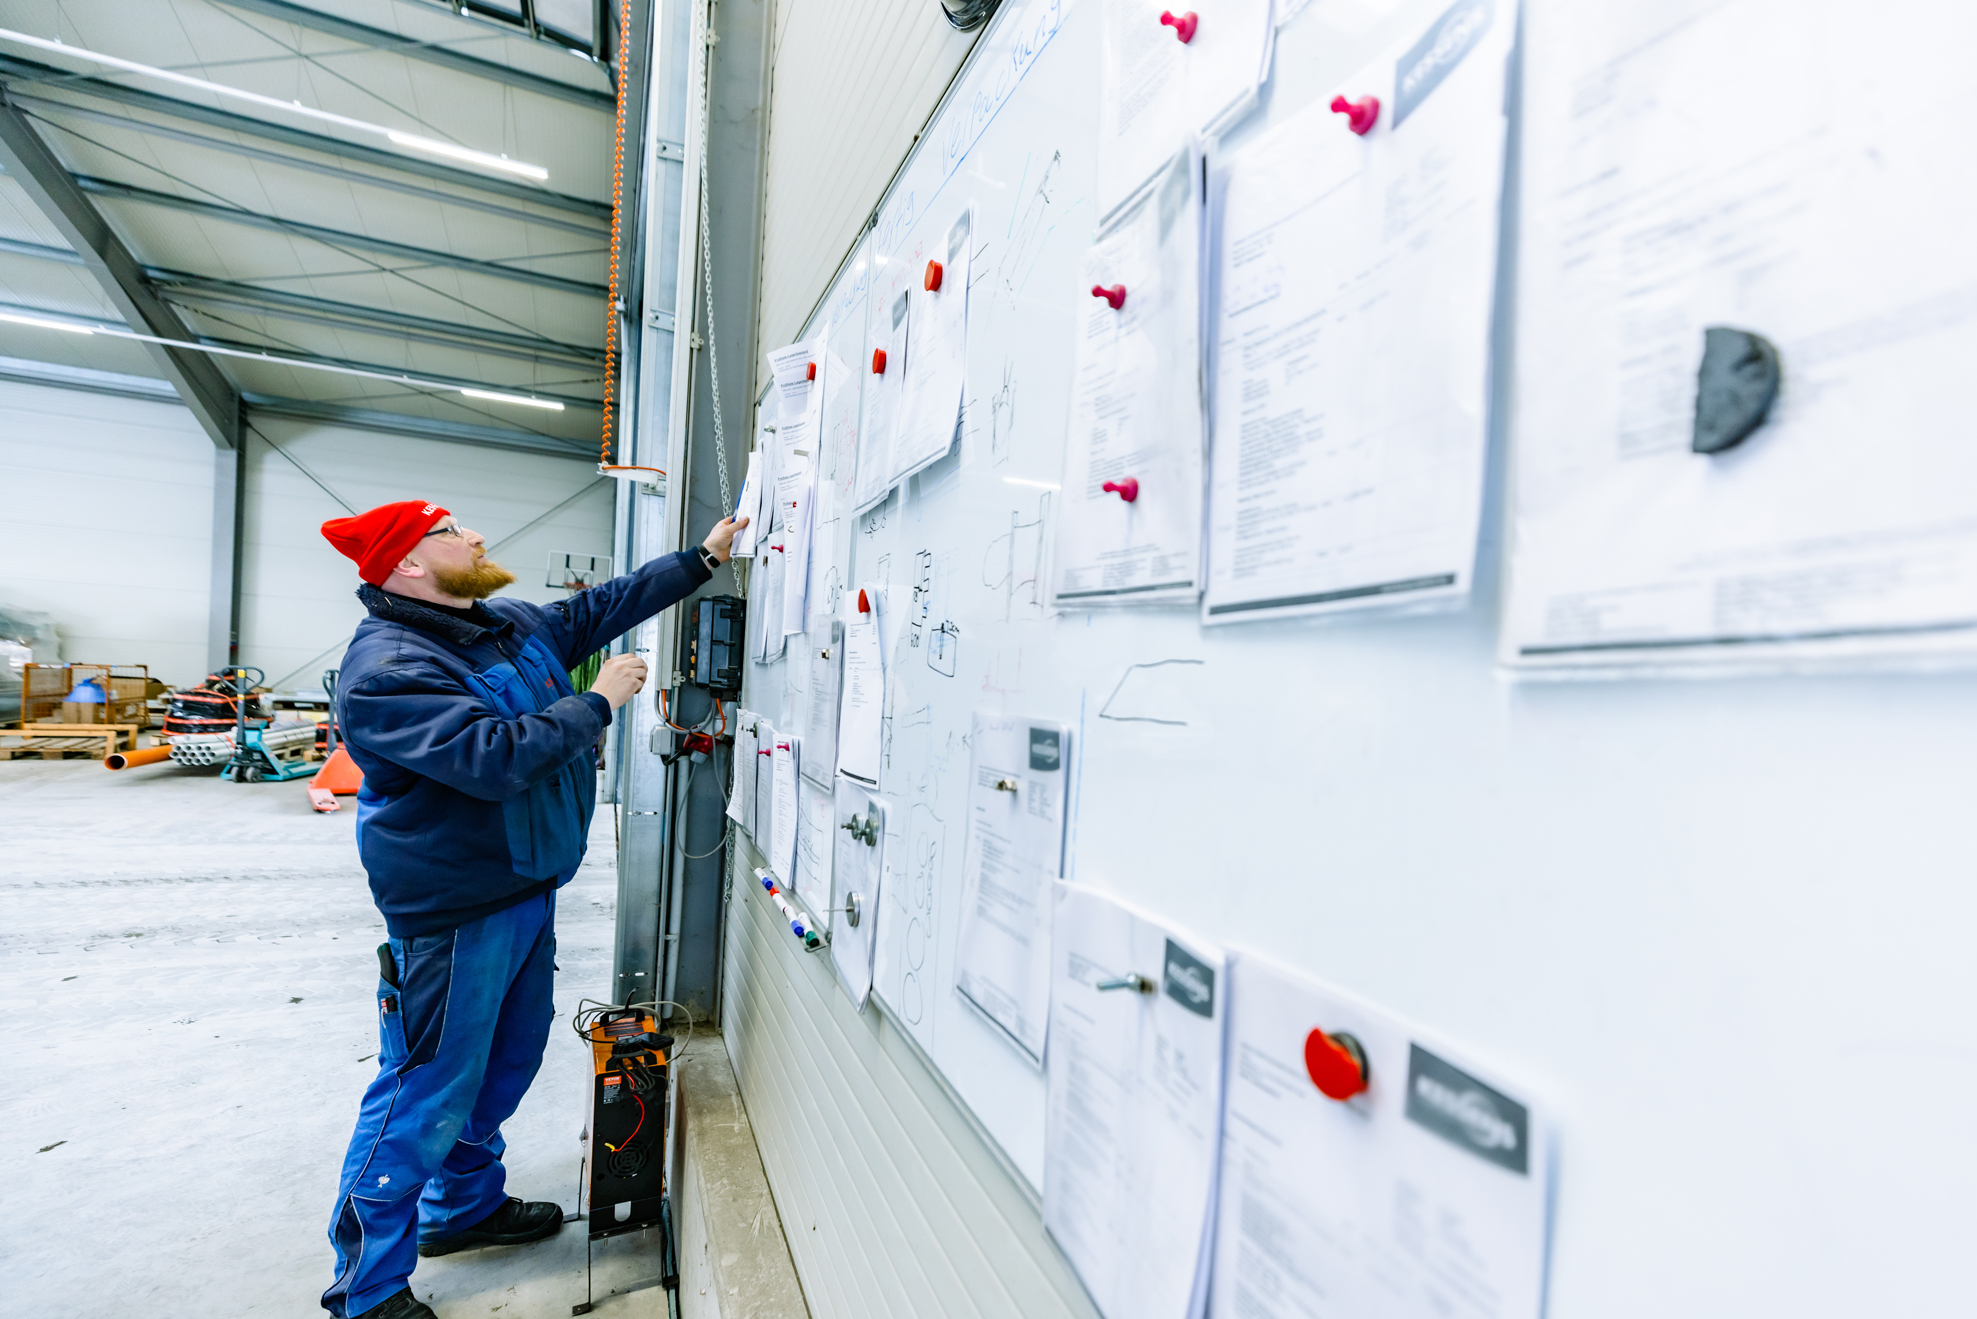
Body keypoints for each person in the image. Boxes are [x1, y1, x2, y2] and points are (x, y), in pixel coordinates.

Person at [314, 499, 744, 1319]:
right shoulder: (390, 669)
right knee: (424, 1087)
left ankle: (462, 1208)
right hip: (451, 911)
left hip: (522, 888)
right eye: (450, 532)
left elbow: (593, 610)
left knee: (503, 1065)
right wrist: (600, 701)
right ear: (406, 563)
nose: (473, 535)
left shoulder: (496, 622)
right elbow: (493, 757)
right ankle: (363, 1289)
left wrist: (702, 558)